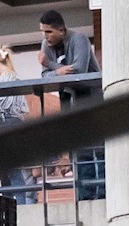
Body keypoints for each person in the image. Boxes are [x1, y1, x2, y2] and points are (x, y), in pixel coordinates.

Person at [38, 10, 104, 199]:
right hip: (68, 102)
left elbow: (79, 71)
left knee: (98, 152)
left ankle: (102, 194)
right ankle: (85, 196)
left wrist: (50, 65)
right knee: (79, 153)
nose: (45, 37)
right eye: (43, 32)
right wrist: (57, 71)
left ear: (61, 29)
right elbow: (44, 77)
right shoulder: (46, 45)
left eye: (49, 32)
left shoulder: (79, 39)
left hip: (91, 100)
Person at [0, 48, 33, 198]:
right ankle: (12, 205)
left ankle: (17, 205)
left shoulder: (8, 78)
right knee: (6, 172)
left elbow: (5, 105)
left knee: (11, 170)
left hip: (7, 123)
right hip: (7, 123)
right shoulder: (8, 78)